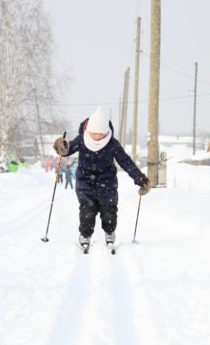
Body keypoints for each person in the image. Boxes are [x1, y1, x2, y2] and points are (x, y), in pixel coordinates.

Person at [53, 106, 151, 248]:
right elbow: (66, 150)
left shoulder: (112, 143)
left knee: (109, 211)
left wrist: (140, 178)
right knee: (87, 210)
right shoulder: (82, 139)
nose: (97, 136)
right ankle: (85, 235)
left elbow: (125, 161)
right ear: (89, 130)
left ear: (106, 131)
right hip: (85, 182)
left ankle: (109, 232)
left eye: (101, 133)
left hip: (107, 182)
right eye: (94, 133)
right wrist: (60, 146)